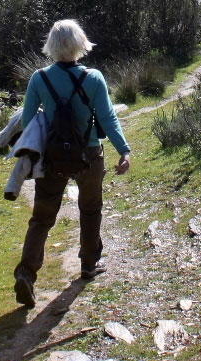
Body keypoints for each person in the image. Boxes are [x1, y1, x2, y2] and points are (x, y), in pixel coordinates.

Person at [12, 19, 130, 307]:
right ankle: (89, 264)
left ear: (51, 46)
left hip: (52, 156)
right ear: (80, 44)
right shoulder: (94, 78)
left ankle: (26, 273)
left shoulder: (39, 78)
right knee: (90, 209)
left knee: (42, 217)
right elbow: (107, 117)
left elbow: (27, 120)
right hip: (88, 154)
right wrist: (123, 151)